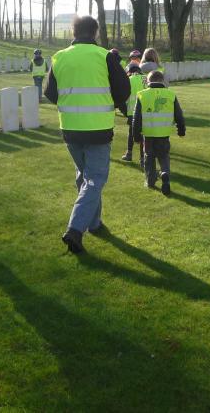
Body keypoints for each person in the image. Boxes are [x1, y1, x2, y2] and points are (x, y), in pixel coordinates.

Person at [45, 16, 130, 254]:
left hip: (70, 127)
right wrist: (106, 102)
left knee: (85, 176)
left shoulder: (59, 57)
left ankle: (94, 222)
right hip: (98, 128)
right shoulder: (105, 56)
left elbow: (50, 93)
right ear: (95, 32)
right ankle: (75, 228)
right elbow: (124, 89)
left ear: (74, 32)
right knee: (95, 179)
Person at [133, 70, 186, 196]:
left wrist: (136, 135)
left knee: (149, 157)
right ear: (162, 81)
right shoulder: (171, 95)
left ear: (147, 81)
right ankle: (165, 173)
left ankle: (150, 181)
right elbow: (179, 115)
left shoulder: (141, 95)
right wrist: (181, 130)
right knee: (164, 156)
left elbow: (137, 118)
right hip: (164, 134)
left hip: (149, 134)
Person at [121, 63, 145, 166]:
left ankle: (129, 153)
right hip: (147, 111)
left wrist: (124, 111)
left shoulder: (128, 80)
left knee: (131, 133)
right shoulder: (146, 78)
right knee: (144, 134)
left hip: (132, 112)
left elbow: (123, 97)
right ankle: (143, 158)